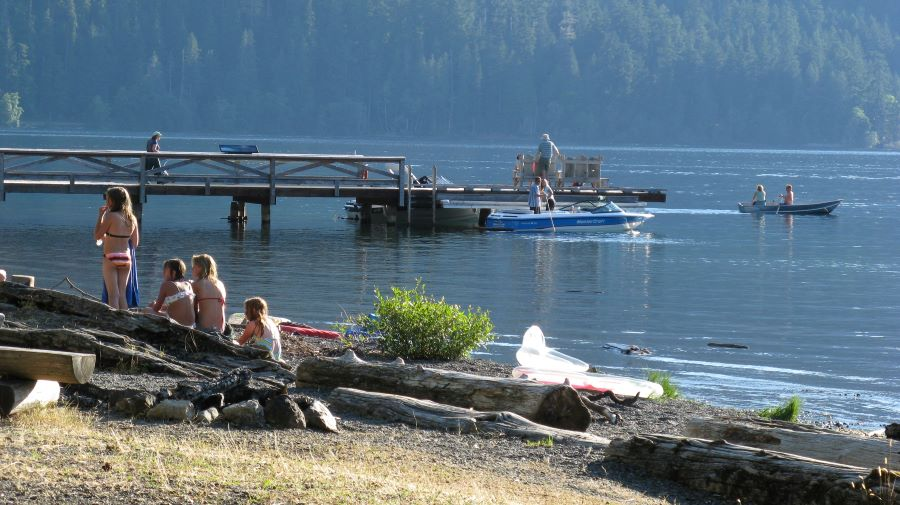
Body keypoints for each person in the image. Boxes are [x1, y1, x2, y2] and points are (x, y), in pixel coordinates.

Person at [94, 187, 139, 310]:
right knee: (122, 295)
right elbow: (135, 243)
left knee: (113, 295)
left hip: (110, 257)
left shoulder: (110, 216)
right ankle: (126, 322)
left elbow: (97, 235)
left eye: (107, 199)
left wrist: (100, 216)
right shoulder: (132, 218)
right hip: (126, 258)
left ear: (112, 201)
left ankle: (113, 324)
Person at [147, 259, 195, 328]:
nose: (163, 273)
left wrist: (153, 304)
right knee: (163, 309)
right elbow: (179, 305)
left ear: (173, 272)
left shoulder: (167, 285)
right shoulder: (188, 284)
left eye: (165, 271)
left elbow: (156, 309)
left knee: (146, 310)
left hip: (177, 326)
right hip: (191, 326)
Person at [235, 297, 282, 361]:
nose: (245, 313)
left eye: (246, 310)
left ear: (253, 310)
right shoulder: (270, 321)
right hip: (277, 352)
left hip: (266, 351)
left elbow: (241, 341)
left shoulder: (253, 323)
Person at [192, 253, 227, 333]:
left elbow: (190, 308)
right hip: (221, 329)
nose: (192, 268)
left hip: (205, 328)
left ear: (201, 267)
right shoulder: (220, 283)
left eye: (194, 265)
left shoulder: (196, 284)